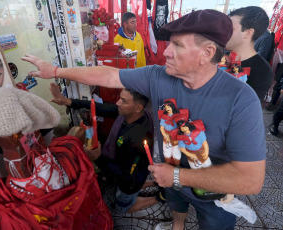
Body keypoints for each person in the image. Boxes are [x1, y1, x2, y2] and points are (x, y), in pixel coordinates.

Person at [22, 9, 266, 230]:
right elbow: (109, 76)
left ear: (207, 53)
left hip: (212, 192)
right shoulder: (158, 76)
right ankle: (177, 226)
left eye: (178, 45)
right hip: (169, 177)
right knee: (176, 204)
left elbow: (250, 180)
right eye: (169, 43)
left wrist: (178, 176)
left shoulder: (240, 99)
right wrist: (55, 71)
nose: (167, 52)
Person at [48, 82, 157, 214]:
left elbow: (126, 176)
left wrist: (98, 158)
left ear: (138, 107)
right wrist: (67, 101)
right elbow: (98, 107)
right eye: (119, 98)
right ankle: (151, 183)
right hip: (134, 170)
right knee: (133, 181)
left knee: (123, 208)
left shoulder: (136, 138)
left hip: (130, 182)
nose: (117, 103)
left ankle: (158, 198)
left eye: (123, 101)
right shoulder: (131, 114)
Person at [225, 6, 273, 101]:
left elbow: (247, 110)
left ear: (248, 33)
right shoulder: (218, 55)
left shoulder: (262, 70)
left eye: (231, 28)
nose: (224, 32)